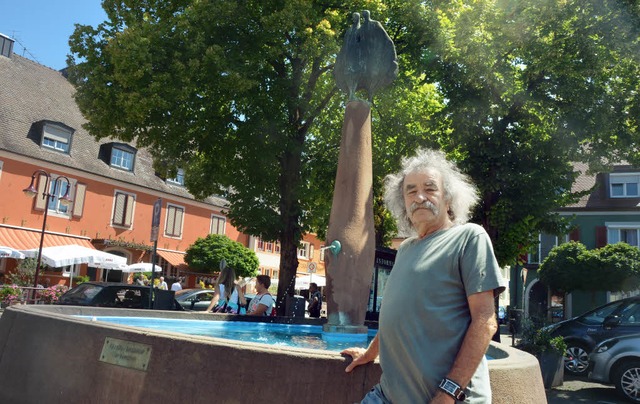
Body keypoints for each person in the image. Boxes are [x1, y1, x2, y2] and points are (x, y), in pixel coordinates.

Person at [341, 148, 506, 403]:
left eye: (430, 189)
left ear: (448, 198)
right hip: (388, 396)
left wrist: (449, 392)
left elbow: (485, 321)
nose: (420, 197)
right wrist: (371, 353)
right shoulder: (405, 249)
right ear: (403, 204)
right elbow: (400, 313)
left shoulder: (469, 237)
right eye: (411, 191)